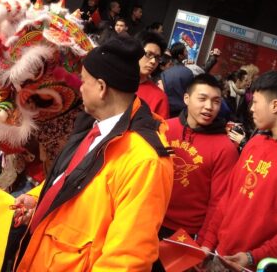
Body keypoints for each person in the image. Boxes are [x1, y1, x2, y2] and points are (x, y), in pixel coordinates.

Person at [12, 36, 173, 271]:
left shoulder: (144, 161)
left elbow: (127, 259)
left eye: (83, 81)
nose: (79, 87)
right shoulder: (93, 123)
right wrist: (39, 198)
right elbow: (73, 176)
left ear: (101, 87)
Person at [199, 71, 277, 268]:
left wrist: (254, 257)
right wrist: (208, 243)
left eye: (256, 102)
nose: (251, 109)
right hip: (220, 256)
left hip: (258, 266)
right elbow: (227, 197)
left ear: (275, 106)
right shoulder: (256, 142)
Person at [162, 74, 238, 240]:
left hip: (186, 233)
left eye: (216, 101)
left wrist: (205, 240)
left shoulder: (225, 148)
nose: (209, 106)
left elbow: (219, 201)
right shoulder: (163, 129)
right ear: (187, 98)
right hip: (149, 220)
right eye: (202, 99)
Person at [136, 31, 169, 119]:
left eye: (157, 58)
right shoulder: (111, 81)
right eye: (148, 54)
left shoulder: (159, 97)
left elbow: (160, 131)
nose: (153, 61)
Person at [161, 42, 194, 117]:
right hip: (181, 111)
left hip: (165, 108)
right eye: (185, 51)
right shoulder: (187, 72)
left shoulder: (164, 70)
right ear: (180, 56)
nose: (187, 53)